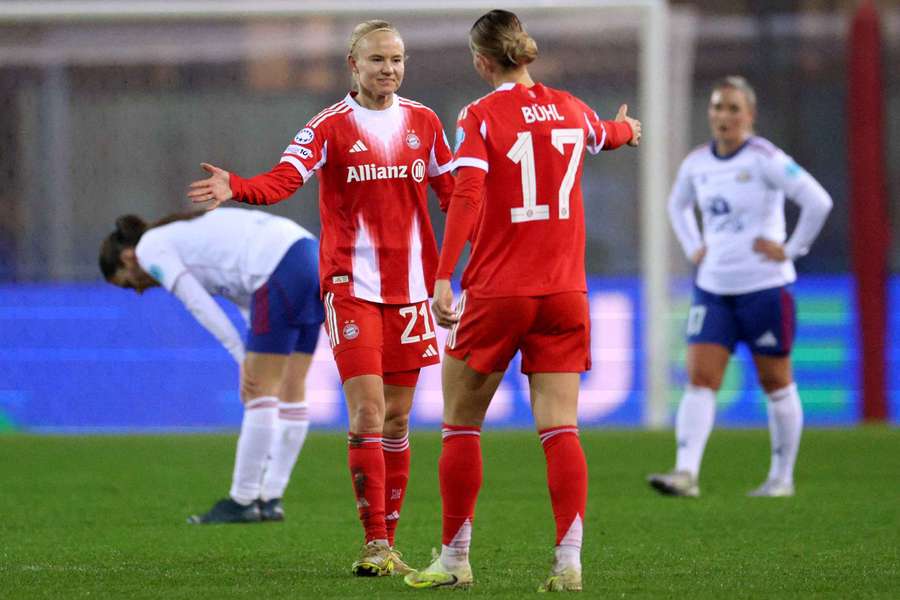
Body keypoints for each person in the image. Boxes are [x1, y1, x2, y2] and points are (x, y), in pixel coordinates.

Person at [186, 20, 454, 576]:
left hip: (410, 293)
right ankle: (374, 543)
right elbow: (287, 178)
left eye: (397, 59)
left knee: (399, 421)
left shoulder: (424, 123)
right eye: (378, 60)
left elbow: (454, 194)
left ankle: (391, 543)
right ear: (353, 66)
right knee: (368, 412)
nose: (390, 69)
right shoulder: (330, 126)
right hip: (350, 287)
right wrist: (237, 185)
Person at [403, 10, 640, 592]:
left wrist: (441, 277)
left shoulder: (480, 116)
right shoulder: (572, 108)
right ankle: (569, 563)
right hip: (565, 294)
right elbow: (607, 136)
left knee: (460, 425)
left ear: (483, 61)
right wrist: (628, 131)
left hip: (500, 292)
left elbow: (466, 194)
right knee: (561, 430)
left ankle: (456, 560)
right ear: (526, 55)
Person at [647, 76, 833, 499]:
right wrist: (694, 246)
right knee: (700, 377)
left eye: (733, 108)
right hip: (713, 288)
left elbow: (818, 201)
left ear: (750, 115)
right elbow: (676, 205)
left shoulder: (766, 158)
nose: (723, 116)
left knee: (776, 381)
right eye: (717, 107)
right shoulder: (697, 163)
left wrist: (791, 249)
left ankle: (781, 478)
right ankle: (685, 472)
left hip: (765, 287)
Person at [99, 208, 324, 523]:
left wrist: (241, 355)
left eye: (126, 284)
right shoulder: (180, 235)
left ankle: (243, 500)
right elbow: (247, 300)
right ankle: (270, 498)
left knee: (258, 391)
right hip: (312, 255)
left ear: (126, 258)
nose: (137, 290)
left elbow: (198, 303)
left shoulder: (150, 247)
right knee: (291, 388)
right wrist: (250, 349)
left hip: (279, 267)